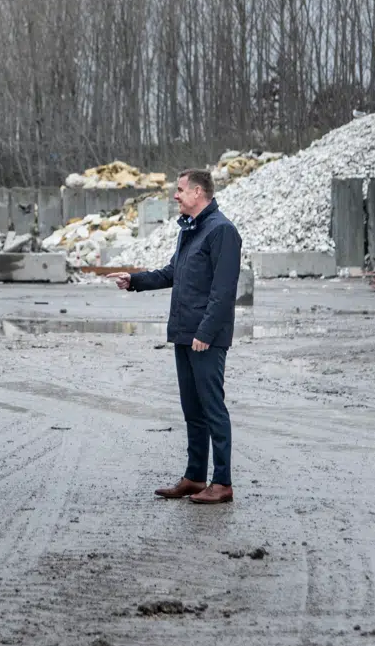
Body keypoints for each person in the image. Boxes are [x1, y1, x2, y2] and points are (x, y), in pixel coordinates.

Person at [107, 169, 242, 505]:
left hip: (205, 336)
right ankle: (195, 477)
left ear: (198, 192)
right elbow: (173, 273)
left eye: (180, 190)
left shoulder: (222, 231)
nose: (176, 196)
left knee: (212, 408)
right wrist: (135, 280)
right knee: (192, 410)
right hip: (184, 333)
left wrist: (206, 332)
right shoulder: (190, 230)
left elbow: (223, 291)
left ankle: (222, 482)